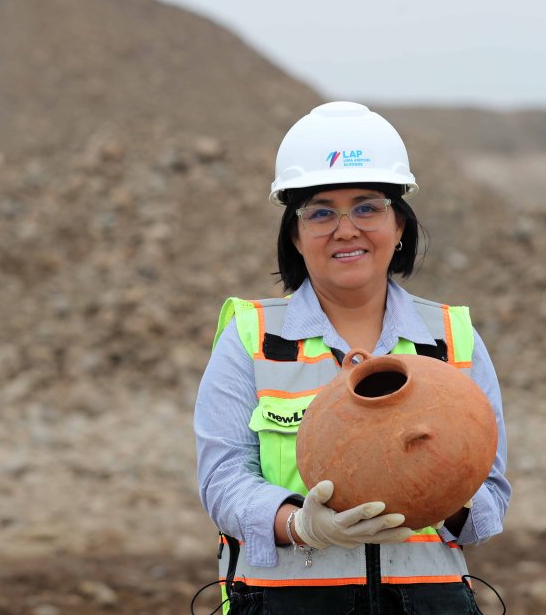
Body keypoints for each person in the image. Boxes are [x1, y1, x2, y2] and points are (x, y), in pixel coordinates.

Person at [194, 101, 510, 614]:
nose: (346, 230)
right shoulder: (250, 337)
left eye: (367, 207)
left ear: (400, 224)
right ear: (294, 236)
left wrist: (443, 493)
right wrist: (301, 524)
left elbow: (491, 496)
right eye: (320, 213)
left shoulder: (451, 338)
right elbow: (222, 480)